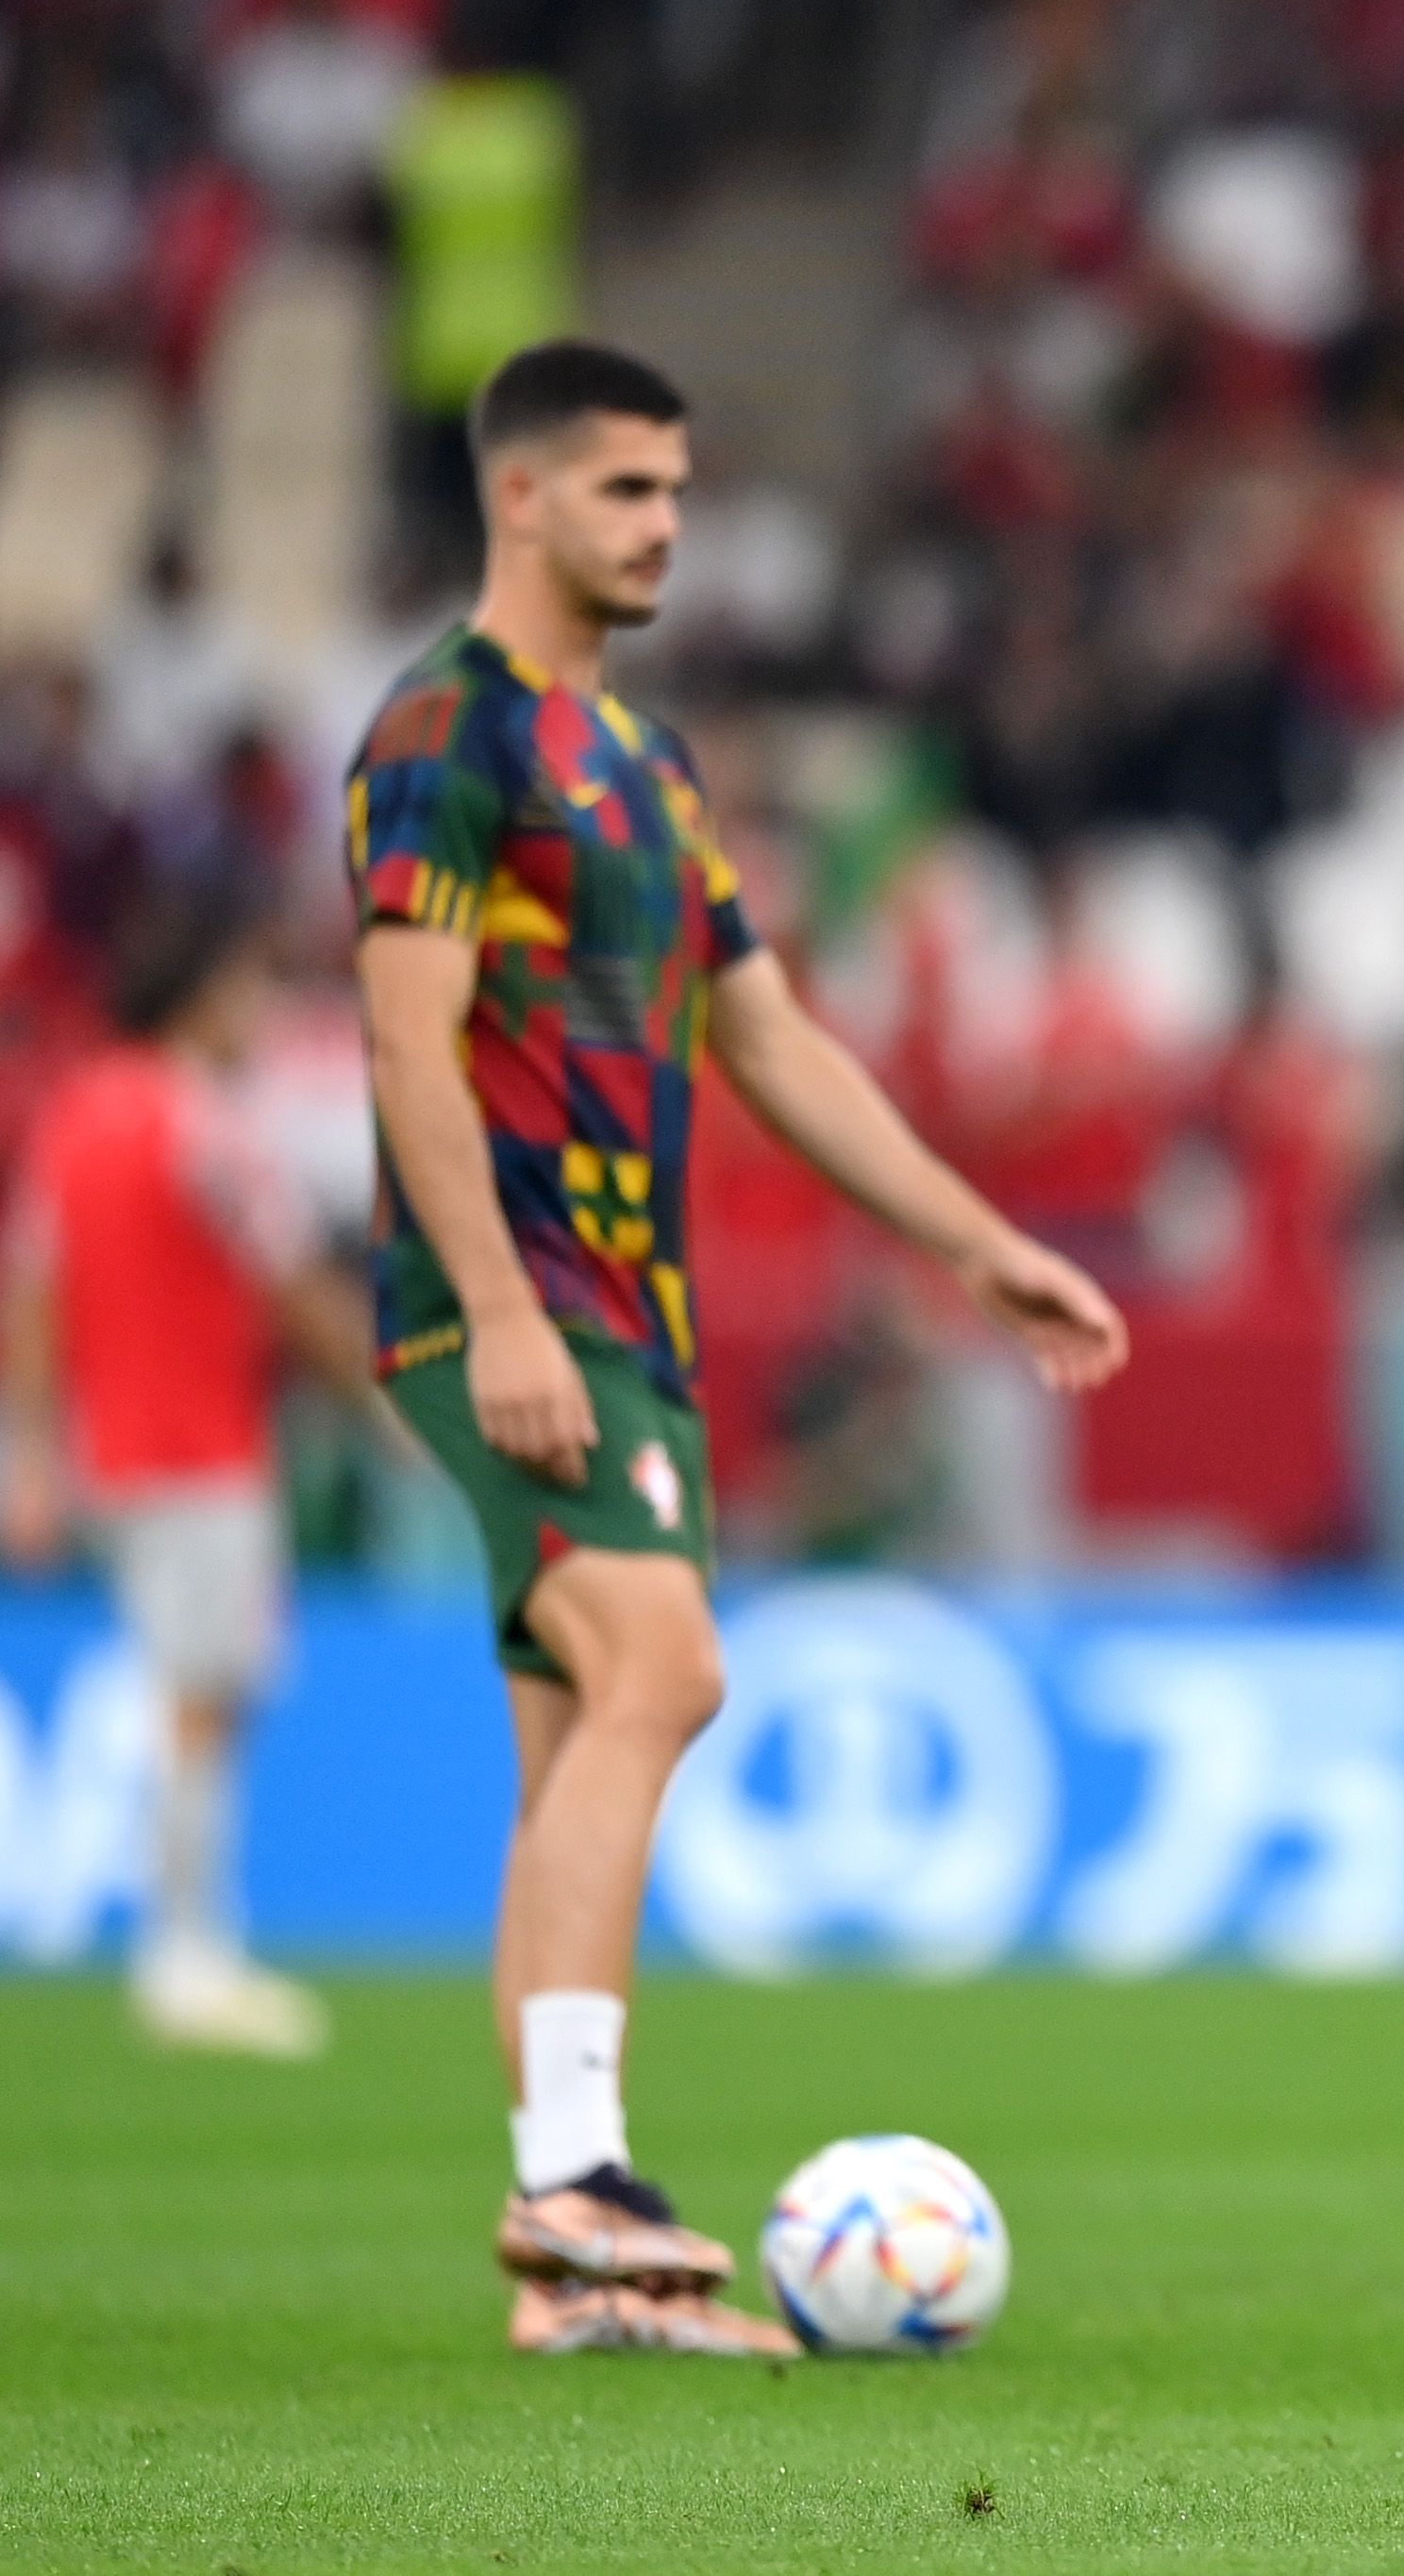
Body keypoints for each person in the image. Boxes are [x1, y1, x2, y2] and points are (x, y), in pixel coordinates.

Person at [351, 340, 1130, 2358]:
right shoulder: (445, 729)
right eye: (627, 489)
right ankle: (577, 2182)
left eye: (679, 492)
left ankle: (574, 2265)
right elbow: (407, 1038)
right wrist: (499, 1311)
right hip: (516, 1300)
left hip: (633, 1312)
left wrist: (980, 1244)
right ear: (519, 495)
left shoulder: (650, 764)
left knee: (573, 1742)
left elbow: (772, 1041)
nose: (665, 525)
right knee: (670, 1665)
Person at [4, 884, 367, 2058]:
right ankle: (186, 1950)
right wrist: (383, 1396)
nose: (257, 1015)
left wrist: (33, 1448)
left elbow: (33, 1288)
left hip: (111, 1448)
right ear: (204, 995)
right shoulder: (203, 1122)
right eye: (248, 991)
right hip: (201, 1448)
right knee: (204, 1697)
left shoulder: (75, 1112)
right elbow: (288, 1276)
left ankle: (192, 1938)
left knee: (200, 1687)